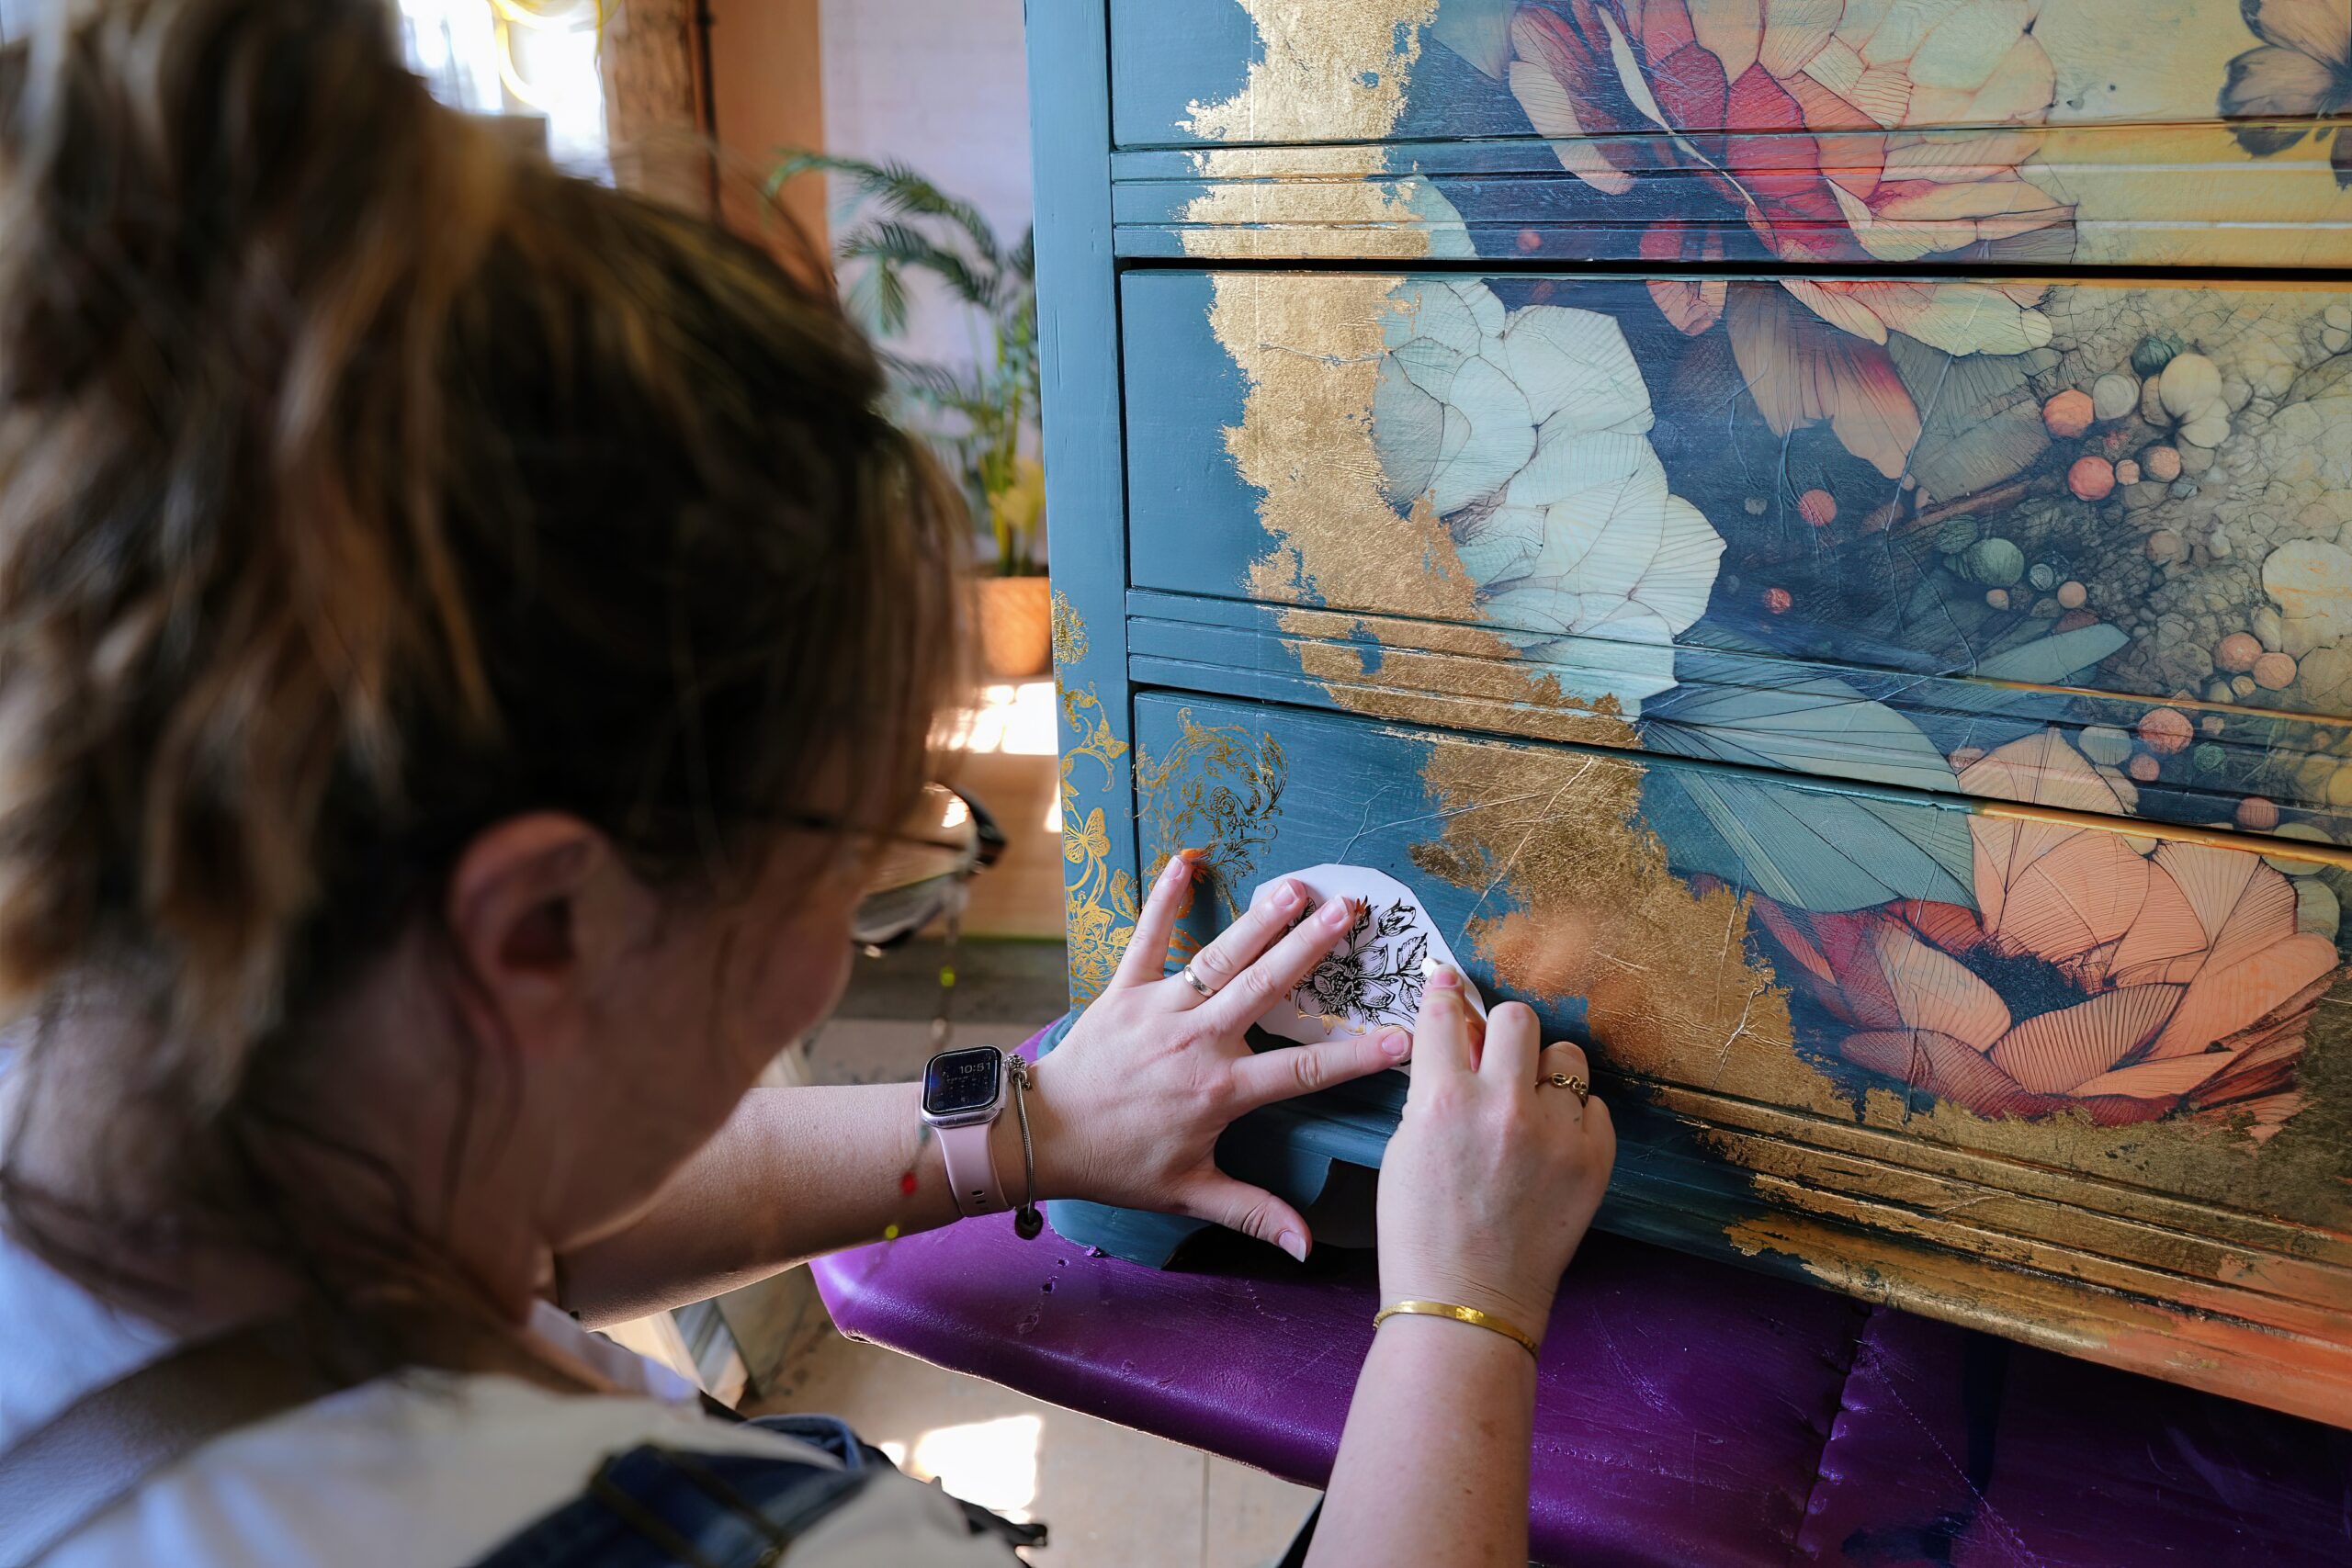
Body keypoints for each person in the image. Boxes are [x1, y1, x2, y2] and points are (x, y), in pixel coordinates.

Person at [0, 2, 1616, 1563]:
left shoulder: (141, 1100)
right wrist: (1460, 1310)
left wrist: (1029, 1127)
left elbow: (518, 1207)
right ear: (543, 931)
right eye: (860, 851)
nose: (865, 921)